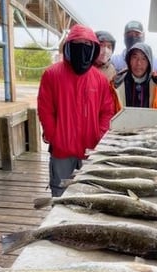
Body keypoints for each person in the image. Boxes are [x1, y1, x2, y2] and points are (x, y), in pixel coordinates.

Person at [37, 24, 115, 197]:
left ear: (94, 48)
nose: (82, 48)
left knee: (91, 193)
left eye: (87, 45)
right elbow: (45, 110)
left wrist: (99, 136)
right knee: (59, 193)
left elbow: (107, 111)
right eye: (77, 43)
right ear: (68, 46)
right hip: (61, 150)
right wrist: (55, 137)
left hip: (91, 149)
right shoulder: (51, 75)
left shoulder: (100, 80)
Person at [116, 42, 157, 109]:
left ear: (149, 62)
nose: (139, 63)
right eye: (135, 57)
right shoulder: (117, 84)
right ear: (129, 60)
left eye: (144, 58)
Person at [94, 30, 122, 114]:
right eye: (101, 45)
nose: (105, 50)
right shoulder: (85, 67)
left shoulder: (112, 71)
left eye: (109, 47)